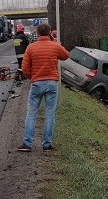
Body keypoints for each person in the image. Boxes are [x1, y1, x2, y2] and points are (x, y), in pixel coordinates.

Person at [17, 23, 69, 152]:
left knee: (31, 113)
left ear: (38, 33)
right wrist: (55, 41)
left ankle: (27, 143)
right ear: (50, 33)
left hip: (37, 83)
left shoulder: (31, 47)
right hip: (52, 83)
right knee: (50, 114)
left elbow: (24, 68)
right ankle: (47, 144)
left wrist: (32, 77)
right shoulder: (55, 46)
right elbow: (66, 55)